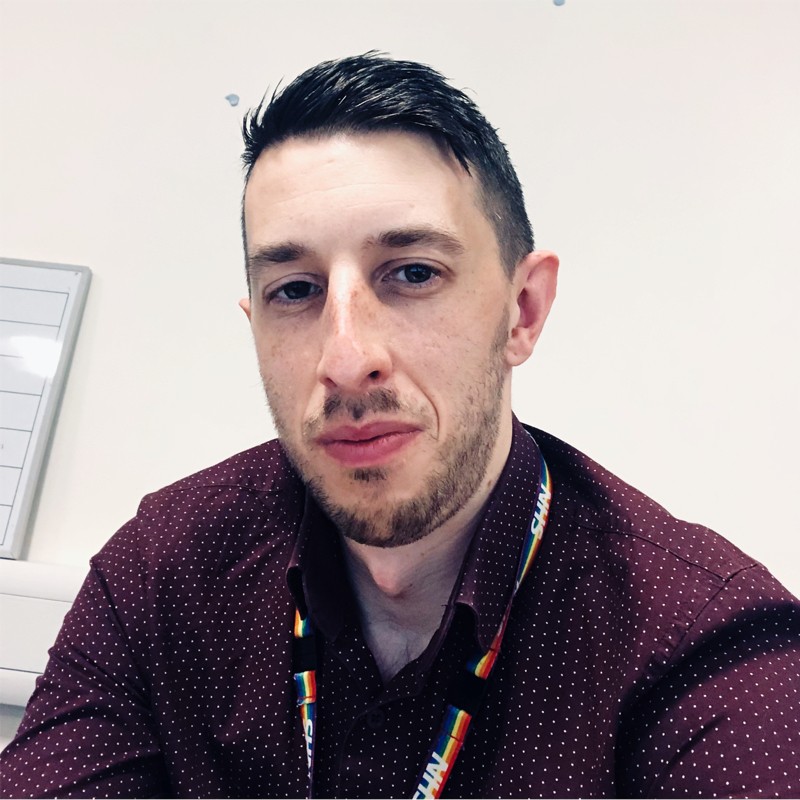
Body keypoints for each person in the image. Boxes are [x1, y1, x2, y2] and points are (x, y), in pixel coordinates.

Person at [1, 52, 799, 799]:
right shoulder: (160, 576)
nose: (347, 360)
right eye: (294, 290)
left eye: (414, 273)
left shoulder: (706, 650)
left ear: (523, 311)